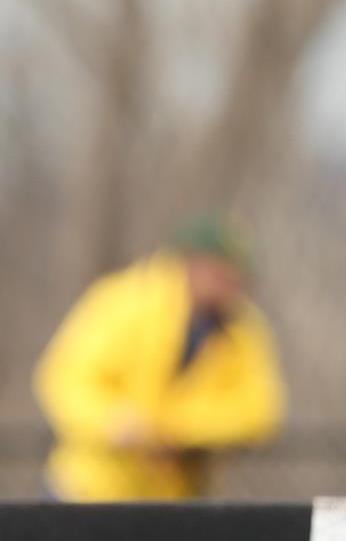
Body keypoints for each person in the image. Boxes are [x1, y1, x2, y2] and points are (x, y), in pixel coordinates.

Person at [36, 211, 286, 507]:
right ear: (192, 264)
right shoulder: (125, 302)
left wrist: (175, 430)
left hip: (175, 500)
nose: (232, 288)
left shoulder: (245, 330)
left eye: (238, 278)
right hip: (88, 492)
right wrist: (117, 423)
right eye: (223, 275)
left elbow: (260, 411)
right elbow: (64, 379)